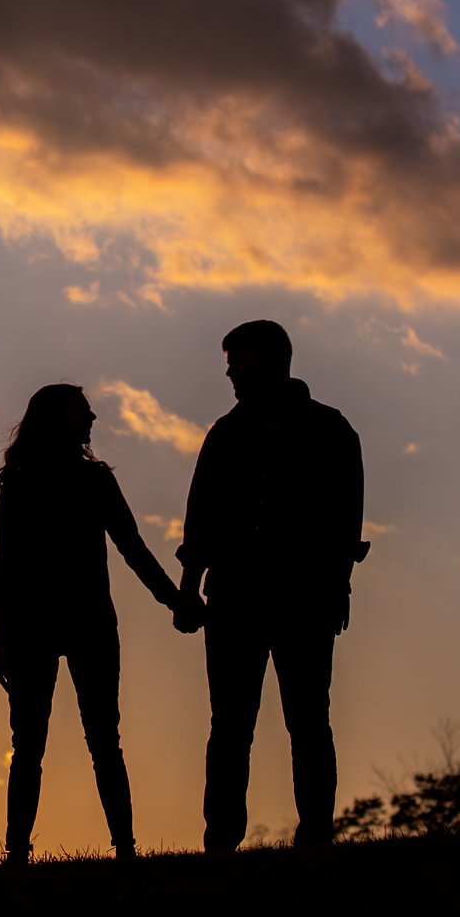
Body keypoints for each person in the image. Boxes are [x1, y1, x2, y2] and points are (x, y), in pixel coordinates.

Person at [174, 320, 367, 852]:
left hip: (303, 597)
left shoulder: (330, 430)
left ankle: (315, 836)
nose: (231, 371)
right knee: (230, 726)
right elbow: (201, 517)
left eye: (239, 360)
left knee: (307, 721)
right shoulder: (225, 434)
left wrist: (335, 588)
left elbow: (344, 520)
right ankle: (221, 840)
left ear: (271, 359)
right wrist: (190, 588)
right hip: (234, 597)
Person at [0, 382, 184, 863]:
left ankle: (122, 846)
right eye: (84, 409)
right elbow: (7, 563)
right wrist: (0, 638)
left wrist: (175, 600)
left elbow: (132, 546)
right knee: (42, 744)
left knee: (95, 739)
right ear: (60, 416)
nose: (93, 417)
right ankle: (21, 851)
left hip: (83, 623)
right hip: (45, 626)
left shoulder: (90, 480)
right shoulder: (22, 481)